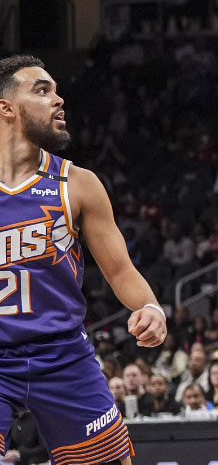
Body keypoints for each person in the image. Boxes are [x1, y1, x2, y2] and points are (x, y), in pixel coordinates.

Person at [0, 56, 168, 464]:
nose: (58, 100)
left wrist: (149, 306)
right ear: (5, 108)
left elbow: (121, 270)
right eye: (42, 90)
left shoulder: (78, 184)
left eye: (56, 90)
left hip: (62, 355)